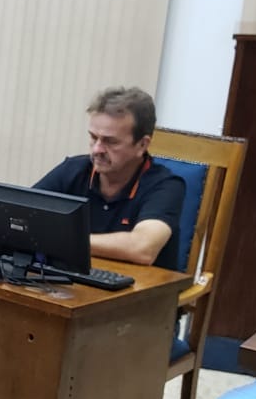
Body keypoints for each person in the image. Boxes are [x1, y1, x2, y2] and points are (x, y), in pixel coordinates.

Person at [33, 86, 186, 269]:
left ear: (142, 145)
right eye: (93, 137)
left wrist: (60, 240)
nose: (97, 149)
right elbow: (19, 216)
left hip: (139, 286)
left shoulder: (166, 186)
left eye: (110, 141)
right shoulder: (74, 170)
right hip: (77, 281)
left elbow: (143, 248)